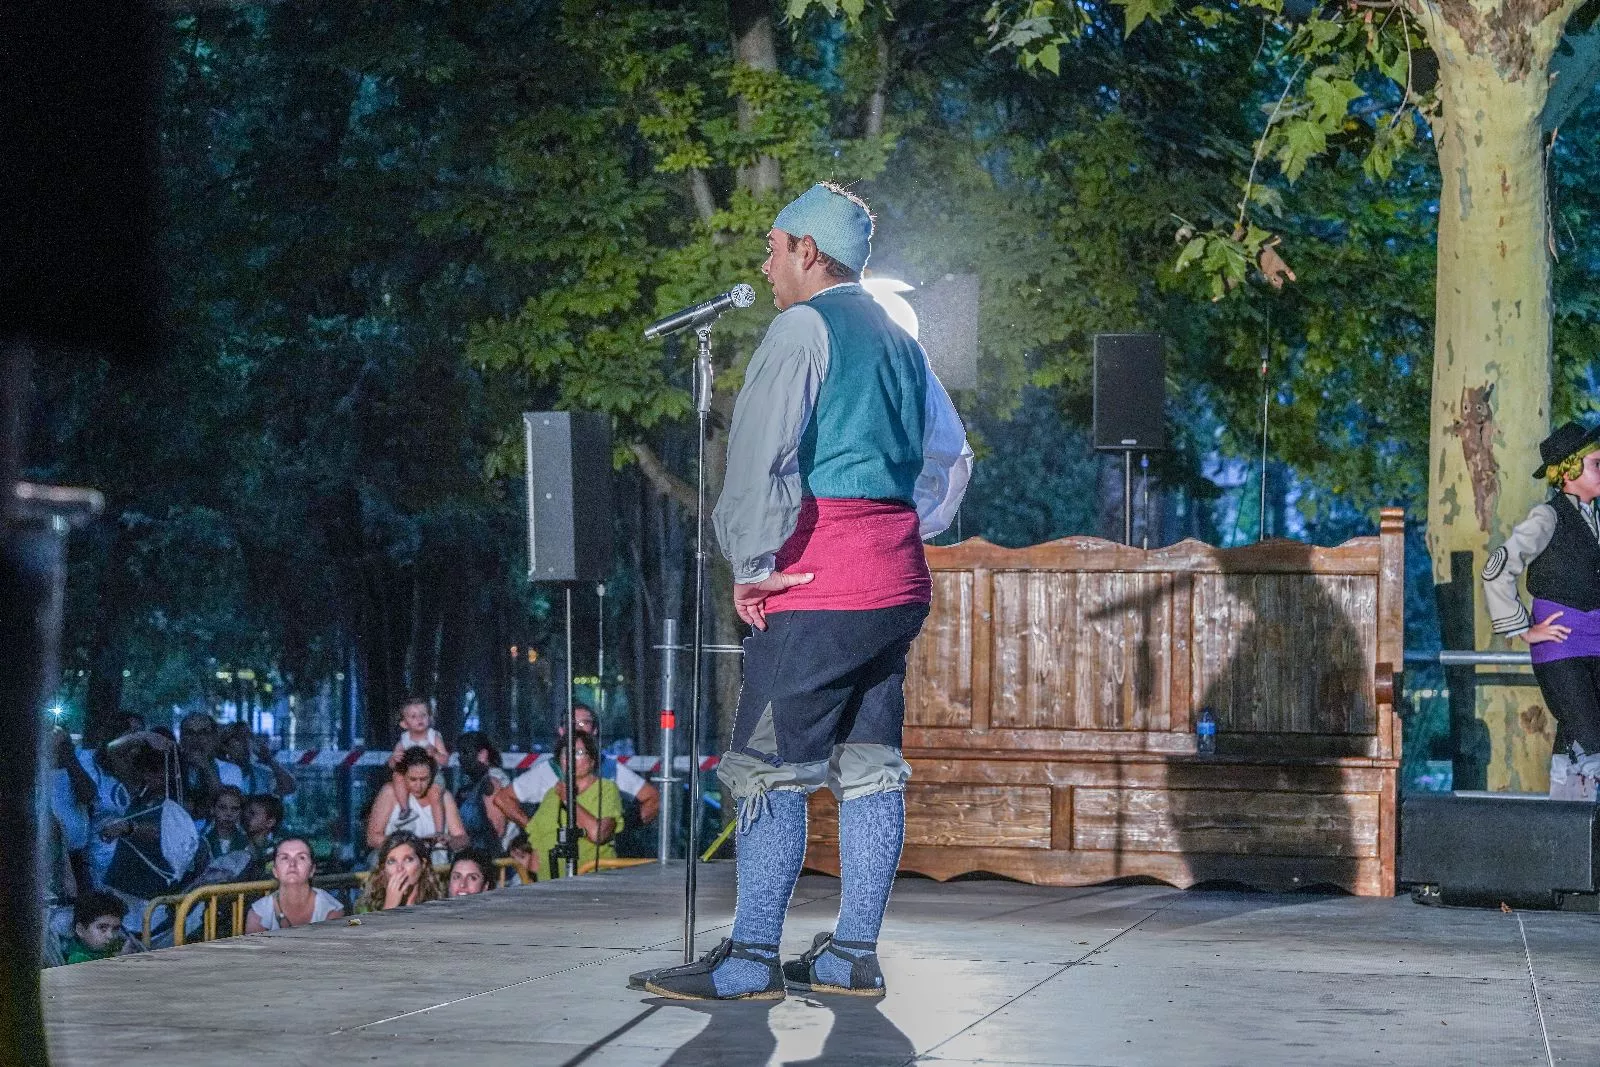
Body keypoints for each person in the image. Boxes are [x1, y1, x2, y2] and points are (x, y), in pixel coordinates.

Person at [640, 183, 970, 1001]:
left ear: (809, 254)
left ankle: (752, 957)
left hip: (822, 582)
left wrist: (751, 561)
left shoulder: (802, 328)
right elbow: (951, 457)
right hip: (894, 580)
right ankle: (852, 952)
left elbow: (760, 456)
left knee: (768, 766)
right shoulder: (901, 340)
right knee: (870, 764)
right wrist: (898, 528)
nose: (766, 262)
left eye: (774, 246)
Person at [1484, 422, 1600, 757]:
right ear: (1570, 470)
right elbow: (1498, 568)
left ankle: (1565, 806)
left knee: (1577, 736)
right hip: (1561, 640)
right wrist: (1524, 629)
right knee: (1592, 737)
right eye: (1596, 464)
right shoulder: (1547, 518)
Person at [493, 704, 659, 835]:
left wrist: (620, 830)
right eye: (571, 724)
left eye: (584, 723)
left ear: (595, 730)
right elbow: (502, 799)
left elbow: (653, 798)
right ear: (561, 731)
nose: (577, 729)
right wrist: (534, 831)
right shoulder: (547, 771)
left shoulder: (610, 768)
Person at [524, 731, 622, 879]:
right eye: (565, 753)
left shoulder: (606, 789)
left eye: (579, 753)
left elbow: (598, 834)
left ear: (592, 759)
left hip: (589, 884)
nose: (570, 759)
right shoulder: (551, 794)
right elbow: (538, 846)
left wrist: (568, 800)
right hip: (547, 887)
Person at [365, 746, 468, 862]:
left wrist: (449, 840)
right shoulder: (390, 793)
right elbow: (372, 838)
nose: (418, 786)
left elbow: (462, 838)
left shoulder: (444, 797)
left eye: (424, 779)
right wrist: (411, 845)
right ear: (403, 776)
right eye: (412, 779)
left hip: (436, 867)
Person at [244, 838, 344, 932]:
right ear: (275, 870)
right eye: (284, 858)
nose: (292, 864)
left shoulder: (331, 910)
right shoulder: (258, 913)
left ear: (312, 870)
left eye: (301, 857)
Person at [356, 832, 444, 913]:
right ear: (383, 869)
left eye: (408, 860)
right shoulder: (365, 908)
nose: (400, 868)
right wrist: (389, 907)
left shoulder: (438, 907)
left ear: (423, 864)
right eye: (392, 861)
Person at [455, 731, 511, 854]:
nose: (461, 759)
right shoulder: (474, 785)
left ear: (483, 755)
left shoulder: (493, 782)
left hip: (491, 859)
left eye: (465, 752)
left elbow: (497, 830)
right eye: (459, 754)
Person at [219, 722, 297, 798]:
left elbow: (289, 788)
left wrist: (270, 760)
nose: (245, 742)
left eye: (249, 737)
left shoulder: (262, 774)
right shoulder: (218, 771)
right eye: (238, 738)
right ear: (227, 745)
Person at [62, 890, 133, 964]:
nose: (110, 936)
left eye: (115, 929)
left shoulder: (105, 946)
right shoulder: (78, 959)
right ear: (81, 930)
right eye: (102, 928)